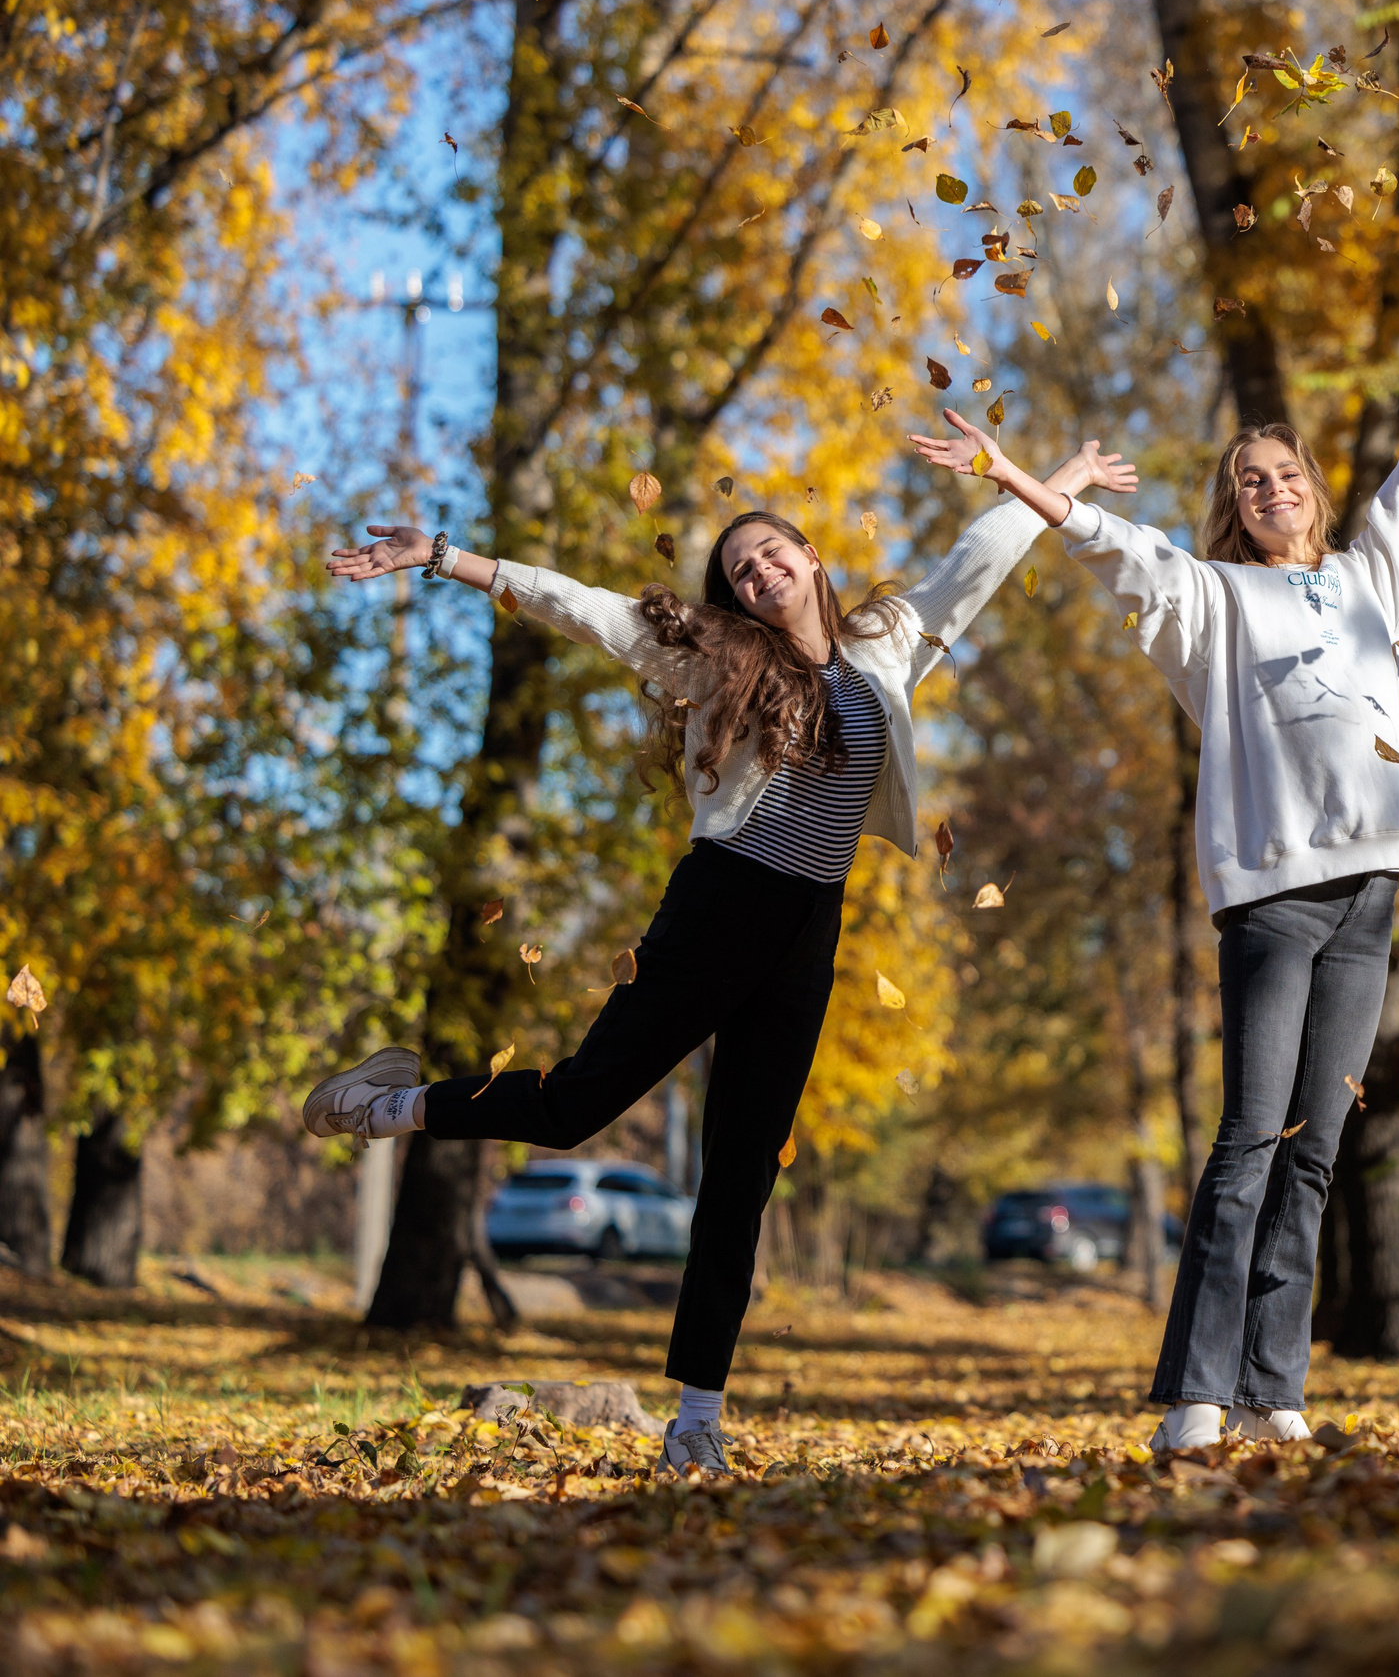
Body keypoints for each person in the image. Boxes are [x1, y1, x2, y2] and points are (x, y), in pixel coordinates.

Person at [301, 444, 1136, 1473]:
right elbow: (586, 608)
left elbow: (974, 561)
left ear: (810, 558)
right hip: (718, 906)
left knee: (741, 1172)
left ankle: (697, 1415)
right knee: (574, 1107)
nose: (757, 572)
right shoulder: (716, 661)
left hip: (806, 929)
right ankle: (392, 1105)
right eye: (739, 569)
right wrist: (444, 556)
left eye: (770, 552)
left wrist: (1060, 481)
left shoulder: (885, 648)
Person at [910, 226, 1399, 1452]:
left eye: (1286, 475)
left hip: (1369, 897)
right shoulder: (1210, 601)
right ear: (1232, 504)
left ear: (1314, 491)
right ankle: (1198, 1394)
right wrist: (1018, 478)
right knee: (1248, 1141)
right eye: (1248, 480)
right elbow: (1118, 549)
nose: (1270, 490)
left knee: (1315, 1154)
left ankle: (1276, 1392)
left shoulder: (1375, 581)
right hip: (1271, 898)